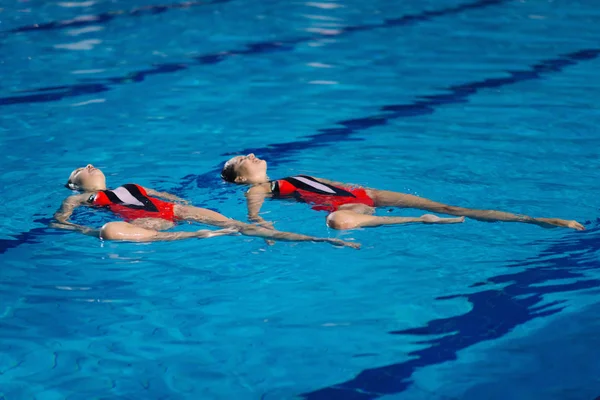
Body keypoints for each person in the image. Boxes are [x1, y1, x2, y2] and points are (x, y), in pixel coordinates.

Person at [220, 153, 585, 231]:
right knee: (337, 221)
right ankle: (420, 219)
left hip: (366, 194)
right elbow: (254, 210)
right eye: (241, 159)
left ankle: (538, 220)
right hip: (354, 201)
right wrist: (259, 224)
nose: (251, 155)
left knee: (449, 205)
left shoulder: (289, 176)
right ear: (239, 178)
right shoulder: (260, 189)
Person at [51, 164, 360, 248]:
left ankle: (319, 239)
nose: (89, 165)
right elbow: (61, 223)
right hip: (146, 224)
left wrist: (185, 205)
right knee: (112, 231)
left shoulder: (132, 185)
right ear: (75, 184)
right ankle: (197, 236)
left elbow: (171, 198)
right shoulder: (79, 198)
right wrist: (85, 229)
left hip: (176, 212)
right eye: (80, 169)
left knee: (242, 226)